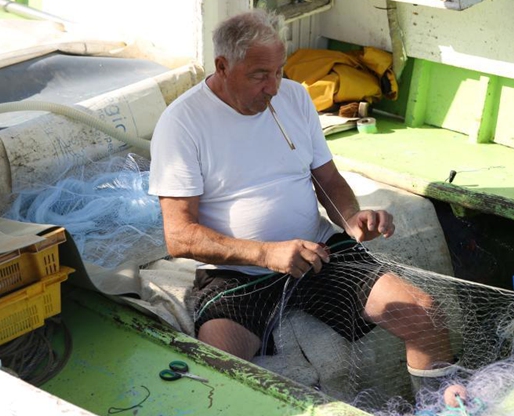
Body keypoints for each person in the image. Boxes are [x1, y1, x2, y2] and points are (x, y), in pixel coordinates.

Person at [148, 9, 456, 389]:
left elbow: (326, 177)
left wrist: (351, 217)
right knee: (216, 371)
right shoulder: (182, 124)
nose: (274, 87)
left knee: (424, 314)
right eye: (260, 75)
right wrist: (267, 254)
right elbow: (179, 236)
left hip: (317, 251)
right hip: (239, 273)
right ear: (223, 66)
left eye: (279, 71)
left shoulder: (294, 97)